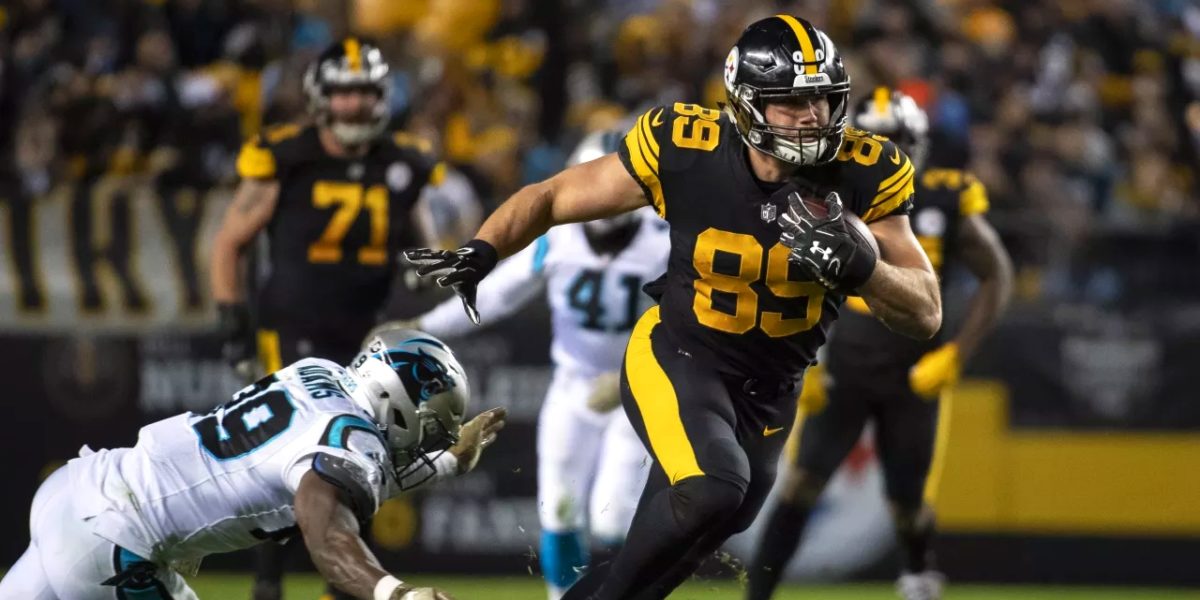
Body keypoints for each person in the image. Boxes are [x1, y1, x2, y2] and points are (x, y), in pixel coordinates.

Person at [403, 15, 942, 599]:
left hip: (774, 387)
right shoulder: (688, 146)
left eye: (822, 99)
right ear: (745, 103)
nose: (812, 116)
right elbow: (554, 196)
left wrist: (863, 264)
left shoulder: (866, 170)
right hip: (682, 353)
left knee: (688, 542)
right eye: (791, 102)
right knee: (715, 487)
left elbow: (925, 311)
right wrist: (484, 250)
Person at [744, 88, 1014, 600]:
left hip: (913, 370)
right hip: (846, 361)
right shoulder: (825, 190)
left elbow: (997, 275)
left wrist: (957, 354)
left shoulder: (942, 196)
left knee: (907, 503)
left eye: (900, 142)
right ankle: (757, 595)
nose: (890, 154)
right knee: (802, 482)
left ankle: (919, 574)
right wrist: (808, 361)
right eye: (879, 141)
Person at [0, 330, 507, 600]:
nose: (428, 432)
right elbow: (327, 529)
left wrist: (446, 464)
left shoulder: (319, 372)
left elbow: (332, 471)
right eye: (430, 418)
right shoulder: (349, 441)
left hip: (76, 491)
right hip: (114, 544)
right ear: (395, 397)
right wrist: (391, 593)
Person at [378, 129, 667, 600]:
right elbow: (494, 294)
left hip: (633, 391)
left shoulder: (664, 239)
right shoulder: (560, 239)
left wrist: (629, 378)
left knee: (613, 519)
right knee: (559, 511)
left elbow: (689, 316)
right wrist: (424, 324)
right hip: (572, 388)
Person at [207, 38, 446, 599]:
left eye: (366, 93)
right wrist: (231, 322)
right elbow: (228, 244)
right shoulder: (286, 155)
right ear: (321, 97)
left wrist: (426, 271)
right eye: (345, 94)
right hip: (292, 328)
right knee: (282, 457)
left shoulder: (404, 161)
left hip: (365, 337)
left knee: (358, 454)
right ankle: (268, 584)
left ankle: (344, 587)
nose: (357, 106)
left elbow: (423, 247)